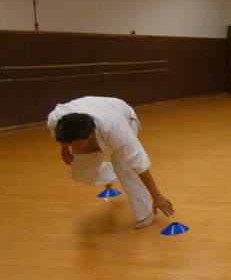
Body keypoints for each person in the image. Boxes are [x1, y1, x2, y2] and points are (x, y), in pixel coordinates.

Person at [47, 96, 175, 229]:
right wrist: (64, 147)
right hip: (93, 118)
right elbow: (61, 134)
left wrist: (157, 196)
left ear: (91, 134)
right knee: (81, 173)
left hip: (125, 118)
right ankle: (114, 173)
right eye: (70, 143)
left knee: (124, 166)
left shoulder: (113, 126)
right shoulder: (55, 120)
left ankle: (146, 212)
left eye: (79, 143)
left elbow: (139, 163)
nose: (75, 147)